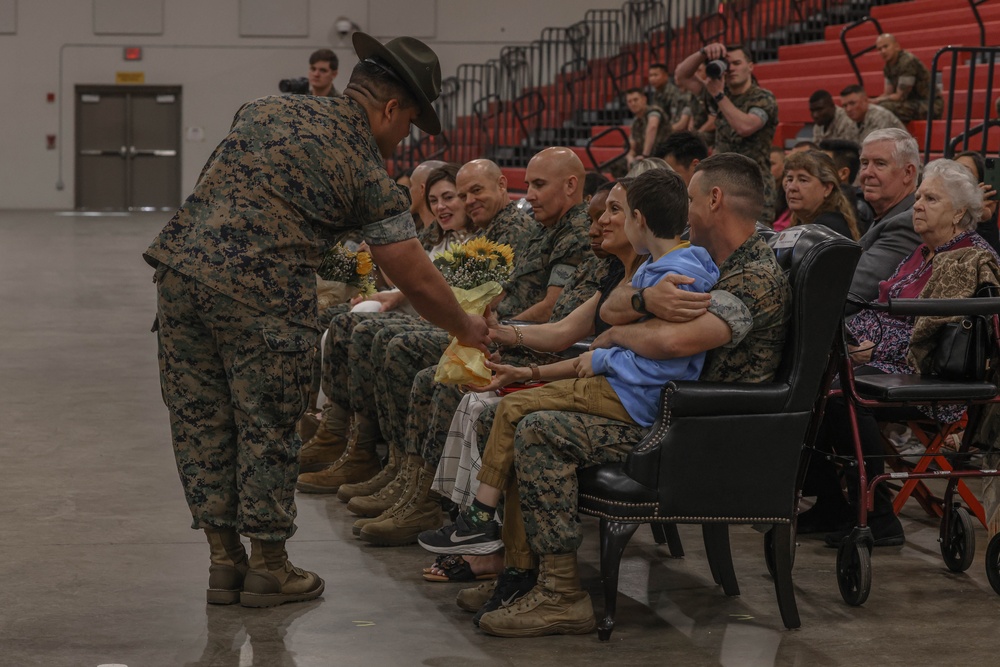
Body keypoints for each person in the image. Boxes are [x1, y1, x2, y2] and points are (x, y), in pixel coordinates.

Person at [144, 33, 491, 608]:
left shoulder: (260, 110)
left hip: (180, 276)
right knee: (266, 425)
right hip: (261, 295)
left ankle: (224, 563)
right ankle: (271, 567)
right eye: (407, 125)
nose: (403, 139)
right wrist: (464, 327)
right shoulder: (365, 170)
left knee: (202, 423)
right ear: (389, 109)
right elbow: (414, 273)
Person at [458, 154, 791, 637]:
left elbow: (673, 342)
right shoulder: (710, 261)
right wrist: (641, 302)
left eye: (692, 200)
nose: (684, 214)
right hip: (664, 406)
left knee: (537, 431)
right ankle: (521, 572)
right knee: (501, 416)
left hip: (702, 429)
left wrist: (616, 337)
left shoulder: (752, 276)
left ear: (713, 200)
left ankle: (561, 595)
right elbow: (615, 305)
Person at [800, 159, 999, 546]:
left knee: (840, 390)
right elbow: (883, 308)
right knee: (813, 377)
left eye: (931, 198)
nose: (918, 205)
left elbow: (937, 337)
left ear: (959, 212)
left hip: (936, 379)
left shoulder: (969, 258)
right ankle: (831, 503)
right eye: (919, 196)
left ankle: (878, 515)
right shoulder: (924, 252)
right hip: (886, 362)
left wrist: (865, 349)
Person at [676, 43, 779, 223]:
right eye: (727, 64)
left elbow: (745, 127)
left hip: (753, 191)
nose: (731, 69)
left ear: (750, 66)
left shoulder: (763, 97)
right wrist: (703, 53)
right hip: (722, 190)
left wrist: (719, 96)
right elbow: (681, 76)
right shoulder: (718, 93)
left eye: (737, 63)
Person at [850, 128, 923, 305]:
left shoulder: (909, 221)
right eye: (864, 163)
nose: (867, 173)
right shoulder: (889, 213)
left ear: (908, 173)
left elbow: (852, 291)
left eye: (880, 164)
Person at [782, 150, 860, 240]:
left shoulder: (828, 229)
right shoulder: (802, 223)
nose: (792, 187)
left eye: (803, 180)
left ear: (827, 188)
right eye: (790, 179)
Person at [873, 33, 943, 123]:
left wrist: (875, 101)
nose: (883, 51)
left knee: (885, 107)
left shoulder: (907, 62)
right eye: (879, 49)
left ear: (897, 46)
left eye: (886, 46)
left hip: (929, 105)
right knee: (872, 108)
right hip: (910, 103)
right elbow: (887, 94)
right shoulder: (887, 67)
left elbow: (899, 96)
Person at [819, 138, 875, 234]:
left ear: (843, 173)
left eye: (822, 167)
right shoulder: (812, 203)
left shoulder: (858, 210)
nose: (814, 172)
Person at [954, 150, 1000, 253]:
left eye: (964, 171)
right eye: (952, 169)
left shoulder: (984, 221)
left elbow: (990, 260)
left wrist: (983, 219)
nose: (955, 175)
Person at [840, 85, 906, 141]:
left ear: (865, 100)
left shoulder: (880, 116)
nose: (848, 109)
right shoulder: (850, 121)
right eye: (844, 106)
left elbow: (874, 148)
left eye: (852, 103)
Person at [624, 87, 671, 167]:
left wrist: (644, 155)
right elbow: (631, 144)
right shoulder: (636, 122)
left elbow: (652, 126)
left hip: (664, 157)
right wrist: (630, 157)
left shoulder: (653, 111)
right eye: (629, 101)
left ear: (644, 99)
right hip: (648, 160)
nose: (633, 103)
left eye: (635, 100)